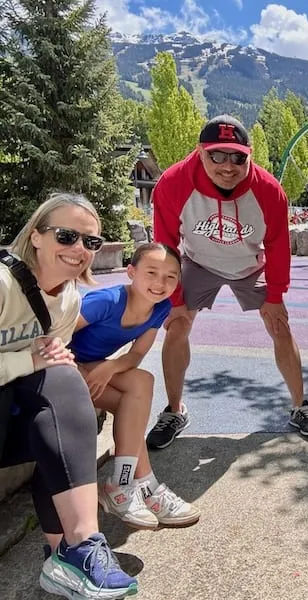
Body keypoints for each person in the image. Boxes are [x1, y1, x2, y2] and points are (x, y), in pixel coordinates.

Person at [150, 114, 308, 446]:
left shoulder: (269, 191)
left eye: (237, 157)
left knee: (279, 325)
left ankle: (301, 406)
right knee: (176, 325)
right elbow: (165, 244)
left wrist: (275, 295)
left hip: (249, 265)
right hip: (197, 263)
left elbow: (277, 247)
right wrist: (174, 298)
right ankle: (174, 410)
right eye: (217, 155)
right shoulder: (173, 183)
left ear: (250, 154)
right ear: (201, 151)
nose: (227, 166)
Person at [0, 193, 137, 599]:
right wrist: (26, 361)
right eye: (67, 236)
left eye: (90, 242)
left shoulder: (67, 300)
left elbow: (50, 366)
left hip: (11, 423)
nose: (79, 250)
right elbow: (33, 362)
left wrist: (43, 364)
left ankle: (73, 549)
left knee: (62, 385)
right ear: (36, 236)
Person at [69, 243, 201, 530]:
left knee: (142, 382)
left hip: (95, 365)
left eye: (170, 276)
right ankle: (146, 487)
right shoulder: (107, 300)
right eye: (151, 272)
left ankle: (125, 484)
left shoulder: (160, 307)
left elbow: (137, 355)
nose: (160, 283)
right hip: (63, 366)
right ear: (131, 272)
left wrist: (111, 366)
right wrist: (75, 369)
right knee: (134, 406)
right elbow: (58, 334)